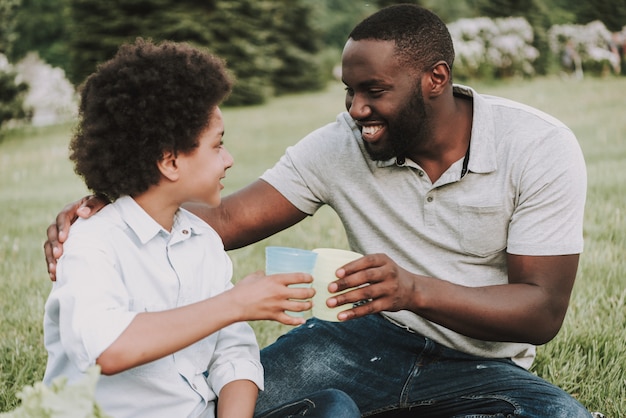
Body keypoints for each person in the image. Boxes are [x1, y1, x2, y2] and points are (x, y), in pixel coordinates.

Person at [45, 6, 593, 418]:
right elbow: (230, 222)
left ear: (436, 79)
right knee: (233, 397)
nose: (356, 110)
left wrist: (414, 290)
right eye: (349, 92)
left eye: (373, 91)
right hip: (362, 341)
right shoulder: (343, 142)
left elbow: (541, 312)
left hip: (479, 362)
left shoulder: (537, 146)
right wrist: (119, 203)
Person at [42, 38, 360, 418]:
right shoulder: (93, 243)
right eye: (216, 145)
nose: (228, 160)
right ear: (170, 162)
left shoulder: (202, 240)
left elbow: (234, 355)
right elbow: (108, 349)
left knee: (334, 408)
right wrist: (236, 304)